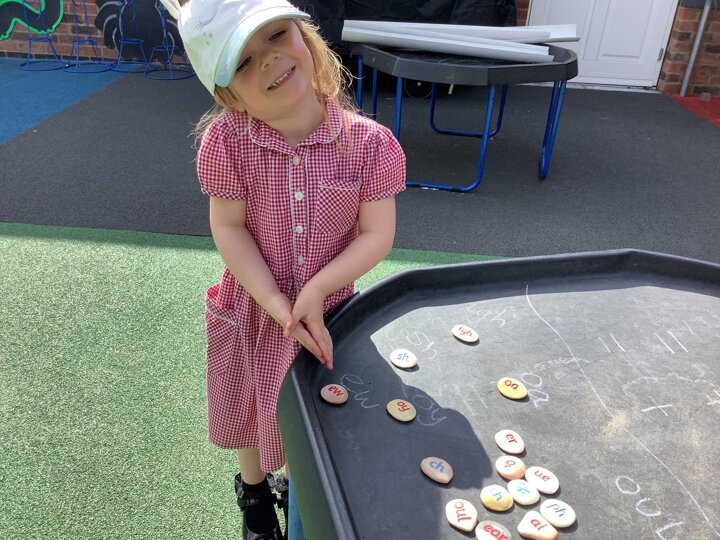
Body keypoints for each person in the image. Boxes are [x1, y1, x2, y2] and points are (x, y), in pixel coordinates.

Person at [159, 0, 406, 538]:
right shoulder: (226, 142)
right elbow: (229, 228)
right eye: (244, 62)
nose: (269, 59)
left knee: (310, 414)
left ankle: (295, 486)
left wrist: (317, 288)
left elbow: (377, 234)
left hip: (329, 312)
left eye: (275, 35)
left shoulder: (369, 145)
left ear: (305, 35)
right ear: (227, 93)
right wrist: (274, 300)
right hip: (251, 305)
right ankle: (253, 494)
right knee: (249, 405)